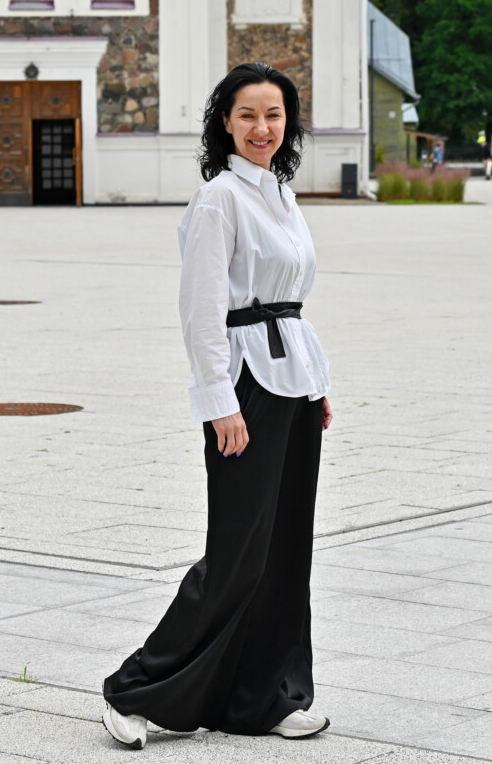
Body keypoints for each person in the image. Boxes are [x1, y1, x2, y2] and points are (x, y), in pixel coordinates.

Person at [102, 62, 334, 749]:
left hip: (291, 383)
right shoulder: (219, 200)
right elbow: (202, 312)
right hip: (246, 387)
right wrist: (219, 402)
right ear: (224, 123)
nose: (262, 128)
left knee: (284, 550)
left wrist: (315, 386)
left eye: (273, 115)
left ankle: (263, 696)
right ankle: (133, 691)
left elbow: (290, 303)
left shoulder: (282, 195)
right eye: (247, 116)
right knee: (235, 552)